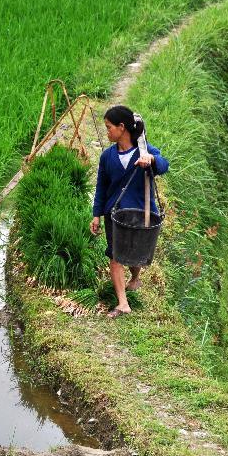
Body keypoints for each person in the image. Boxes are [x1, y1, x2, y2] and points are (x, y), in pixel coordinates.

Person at [90, 105, 169, 318]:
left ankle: (135, 278)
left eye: (109, 127)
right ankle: (122, 303)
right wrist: (96, 214)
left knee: (135, 255)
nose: (106, 132)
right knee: (116, 256)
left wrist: (151, 160)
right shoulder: (107, 157)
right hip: (114, 215)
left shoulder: (144, 150)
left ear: (122, 127)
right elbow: (101, 187)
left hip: (140, 212)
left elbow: (163, 165)